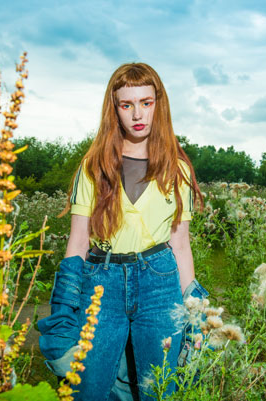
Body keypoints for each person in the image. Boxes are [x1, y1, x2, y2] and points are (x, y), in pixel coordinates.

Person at [38, 62, 207, 401]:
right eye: (126, 105)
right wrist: (64, 310)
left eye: (146, 102)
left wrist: (195, 311)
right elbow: (78, 241)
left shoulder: (178, 169)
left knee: (160, 389)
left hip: (160, 284)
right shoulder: (94, 166)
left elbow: (180, 245)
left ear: (159, 104)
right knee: (87, 388)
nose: (137, 114)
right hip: (101, 285)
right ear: (114, 109)